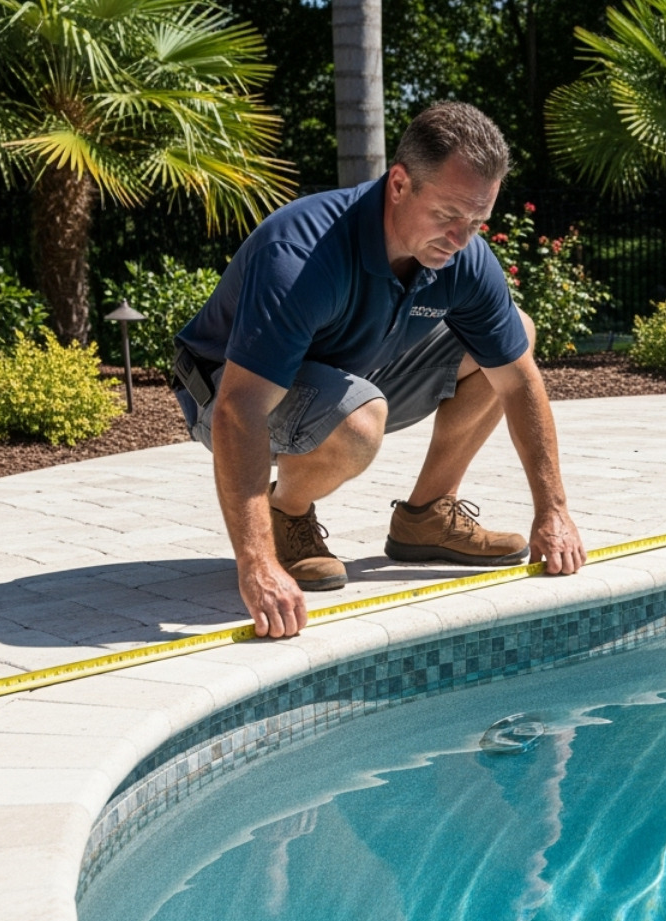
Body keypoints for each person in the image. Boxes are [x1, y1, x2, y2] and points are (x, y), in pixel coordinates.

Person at [173, 102, 587, 639]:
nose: (461, 239)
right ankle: (285, 514)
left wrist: (553, 510)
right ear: (399, 184)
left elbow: (518, 382)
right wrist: (257, 563)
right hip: (222, 389)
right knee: (359, 418)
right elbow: (239, 409)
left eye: (476, 222)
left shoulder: (462, 258)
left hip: (349, 373)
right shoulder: (303, 253)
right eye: (447, 215)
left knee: (515, 337)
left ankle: (427, 515)